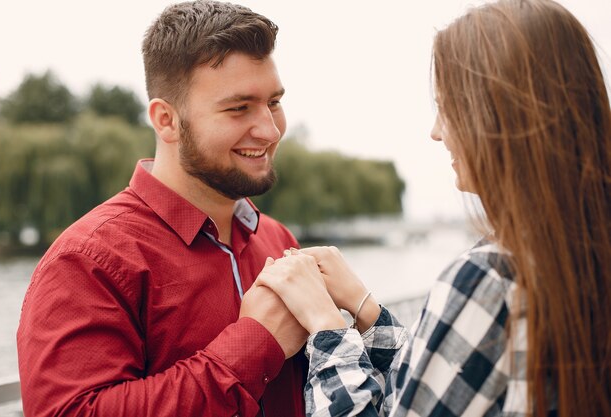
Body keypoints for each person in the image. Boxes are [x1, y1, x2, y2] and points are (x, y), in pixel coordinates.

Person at [249, 0, 611, 415]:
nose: (437, 132)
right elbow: (450, 382)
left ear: (494, 118)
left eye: (447, 108)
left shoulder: (491, 277)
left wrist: (326, 327)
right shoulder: (575, 255)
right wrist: (365, 308)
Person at [16, 1, 309, 416]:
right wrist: (254, 343)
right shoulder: (87, 259)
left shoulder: (279, 240)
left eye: (274, 102)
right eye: (238, 108)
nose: (270, 129)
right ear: (166, 120)